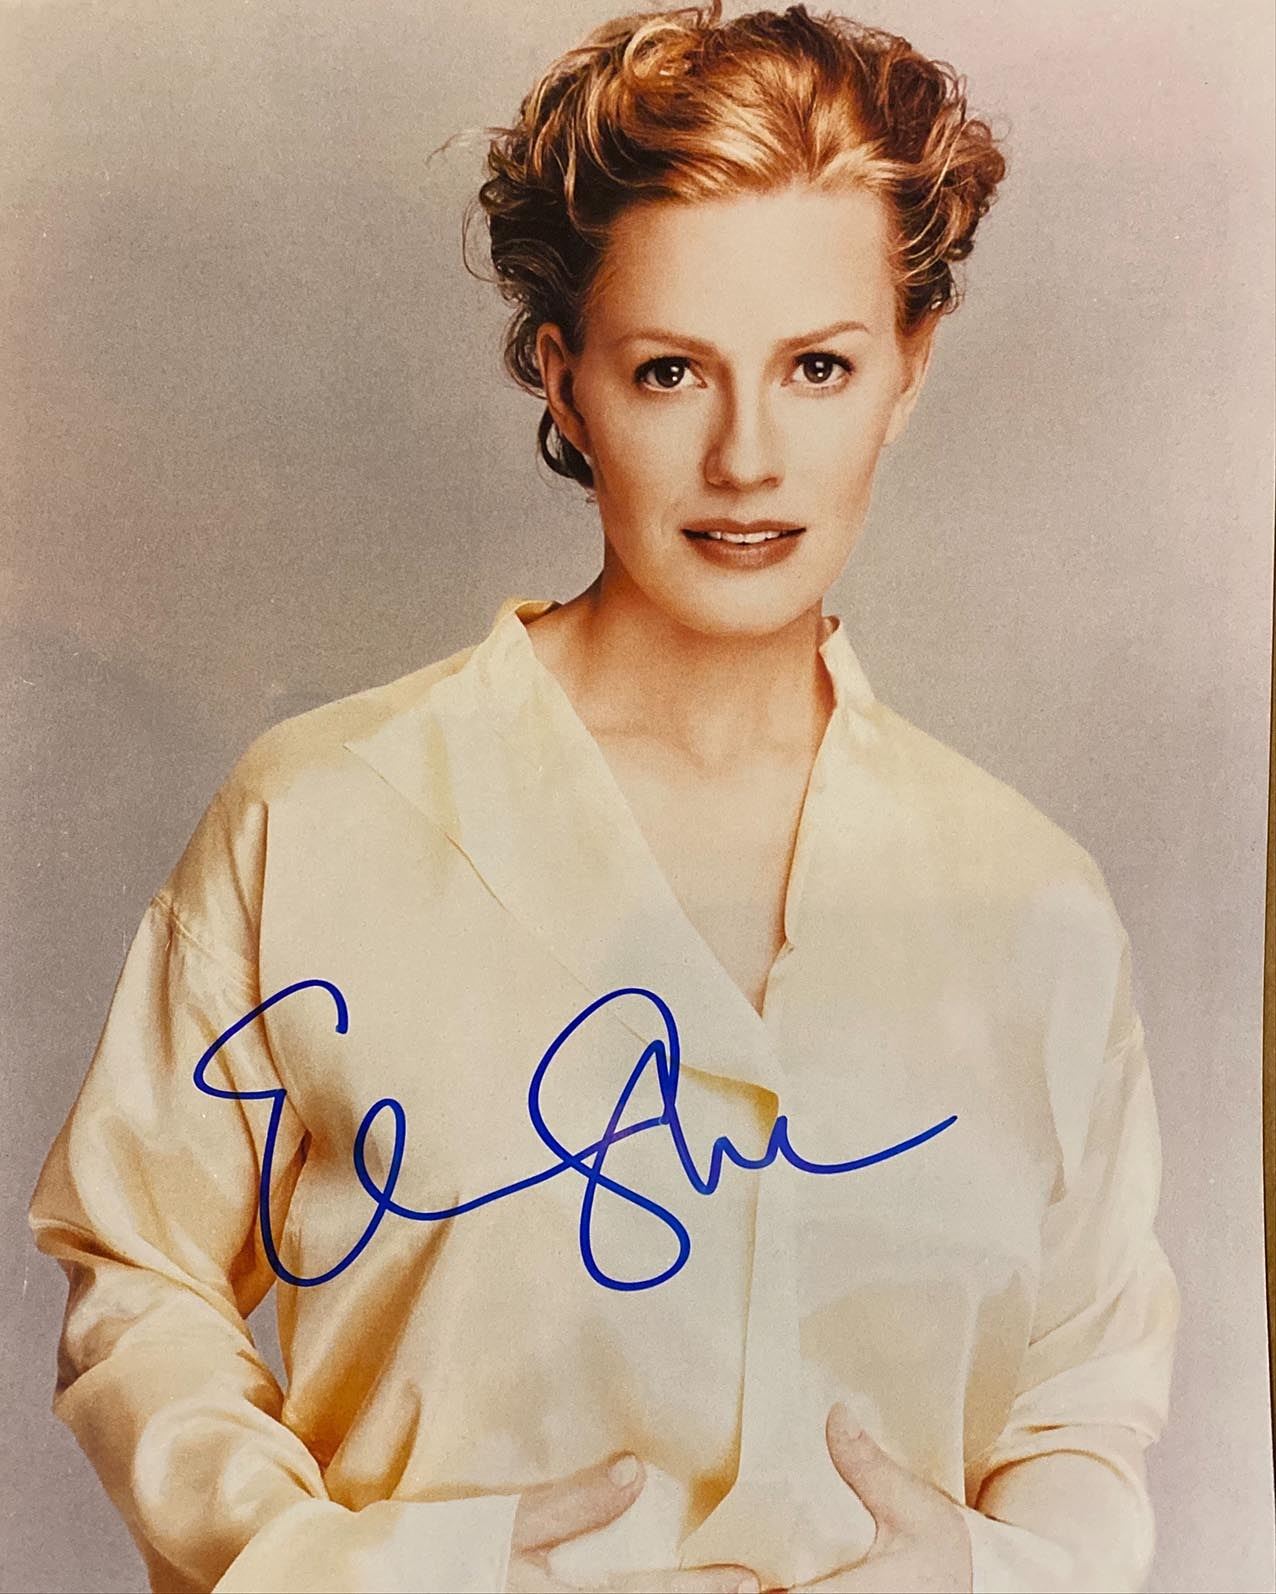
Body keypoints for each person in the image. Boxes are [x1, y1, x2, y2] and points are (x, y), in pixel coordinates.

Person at [27, 4, 1180, 1592]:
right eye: (669, 371)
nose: (747, 457)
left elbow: (1086, 1402)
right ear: (564, 382)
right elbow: (138, 1276)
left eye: (819, 366)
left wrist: (987, 1572)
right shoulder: (318, 818)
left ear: (908, 370)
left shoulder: (1036, 902)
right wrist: (381, 1572)